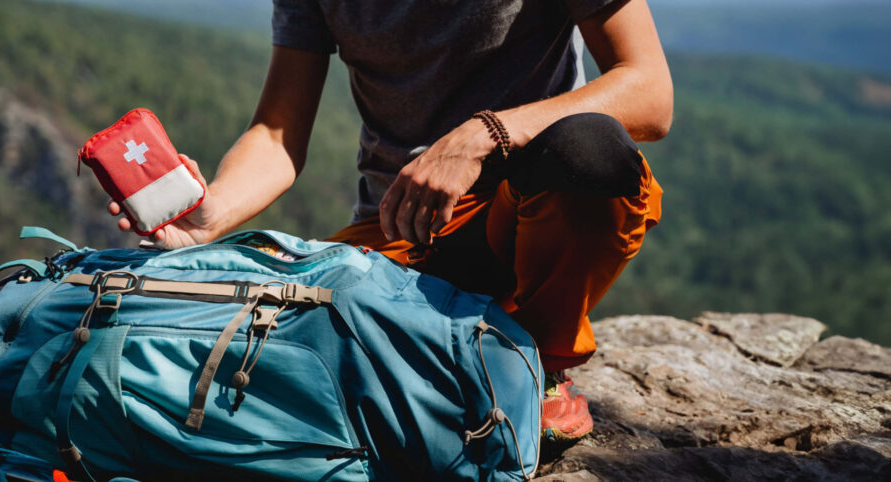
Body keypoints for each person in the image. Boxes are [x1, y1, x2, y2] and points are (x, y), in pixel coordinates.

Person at [107, 0, 671, 441]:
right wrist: (212, 216)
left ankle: (536, 362)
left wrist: (486, 134)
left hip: (523, 223)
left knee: (590, 151)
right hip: (396, 236)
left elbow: (649, 91)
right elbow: (279, 132)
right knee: (237, 376)